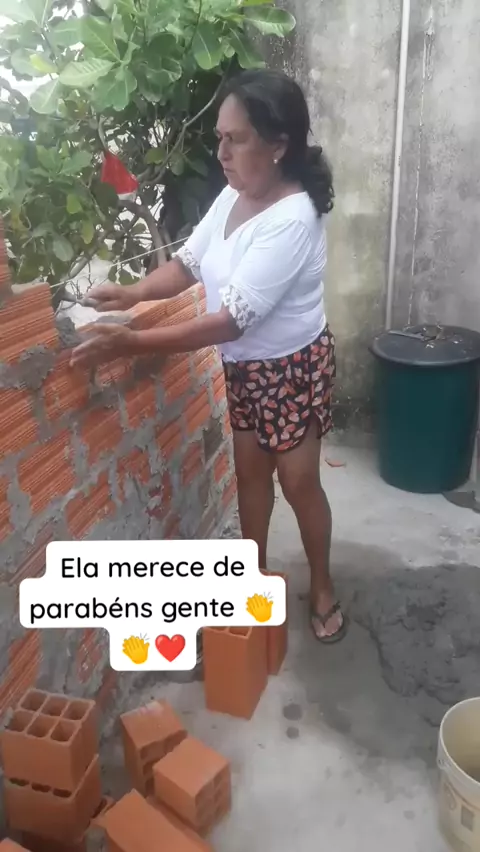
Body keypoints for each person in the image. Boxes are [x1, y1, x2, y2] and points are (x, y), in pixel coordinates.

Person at [71, 69, 347, 643]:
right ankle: (252, 582)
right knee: (250, 475)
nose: (221, 152)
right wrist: (133, 293)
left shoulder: (294, 219)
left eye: (235, 139)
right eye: (220, 138)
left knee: (298, 482)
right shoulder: (234, 194)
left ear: (278, 145)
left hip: (292, 367)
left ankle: (322, 585)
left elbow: (229, 319)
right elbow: (188, 265)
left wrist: (131, 341)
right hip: (244, 366)